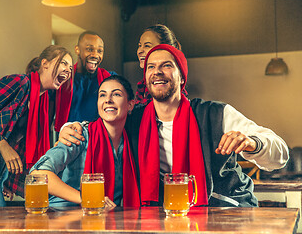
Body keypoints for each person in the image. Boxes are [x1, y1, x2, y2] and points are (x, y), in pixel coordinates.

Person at [59, 44, 289, 207]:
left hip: (227, 208)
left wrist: (252, 143)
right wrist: (69, 127)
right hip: (166, 213)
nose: (157, 71)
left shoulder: (215, 113)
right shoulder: (134, 120)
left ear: (181, 77)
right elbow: (101, 124)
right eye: (151, 67)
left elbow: (280, 156)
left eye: (166, 65)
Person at [0, 45, 74, 206]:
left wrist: (6, 181)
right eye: (64, 63)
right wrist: (3, 145)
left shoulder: (42, 103)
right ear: (45, 64)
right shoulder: (19, 82)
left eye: (71, 67)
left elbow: (21, 146)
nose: (68, 70)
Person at [30, 75, 140, 208]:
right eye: (102, 95)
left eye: (116, 94)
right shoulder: (80, 134)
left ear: (130, 105)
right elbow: (37, 174)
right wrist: (87, 198)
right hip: (63, 216)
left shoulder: (131, 143)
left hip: (105, 220)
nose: (108, 100)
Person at [55, 31, 117, 131]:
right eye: (89, 49)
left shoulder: (110, 79)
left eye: (100, 51)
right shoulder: (62, 79)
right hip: (68, 141)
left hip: (99, 140)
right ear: (77, 50)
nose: (95, 55)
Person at [135, 24, 182, 106]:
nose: (139, 51)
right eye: (139, 45)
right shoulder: (142, 87)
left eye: (147, 46)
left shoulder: (173, 90)